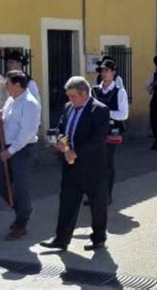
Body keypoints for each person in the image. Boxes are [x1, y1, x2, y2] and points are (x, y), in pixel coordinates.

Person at [41, 76, 110, 251]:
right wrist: (63, 146)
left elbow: (98, 139)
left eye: (74, 96)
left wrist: (75, 152)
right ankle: (61, 239)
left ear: (84, 93)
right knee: (67, 202)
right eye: (69, 96)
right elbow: (62, 129)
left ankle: (98, 238)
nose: (70, 100)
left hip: (93, 166)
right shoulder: (68, 107)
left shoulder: (99, 110)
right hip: (70, 164)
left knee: (97, 204)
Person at [0, 70, 41, 240]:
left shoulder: (30, 103)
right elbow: (4, 126)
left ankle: (21, 223)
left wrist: (10, 151)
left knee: (21, 186)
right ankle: (22, 210)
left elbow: (27, 133)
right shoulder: (10, 101)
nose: (5, 86)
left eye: (8, 83)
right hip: (7, 147)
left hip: (23, 149)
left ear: (17, 85)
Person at [92, 59, 129, 203]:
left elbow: (123, 114)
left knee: (107, 163)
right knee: (93, 163)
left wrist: (105, 113)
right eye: (102, 71)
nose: (104, 73)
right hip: (94, 131)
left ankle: (107, 194)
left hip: (110, 130)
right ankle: (94, 193)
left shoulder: (120, 92)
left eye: (107, 70)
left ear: (114, 72)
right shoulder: (93, 90)